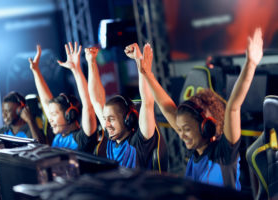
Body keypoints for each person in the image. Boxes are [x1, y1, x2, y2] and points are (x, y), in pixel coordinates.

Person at [137, 28, 263, 190]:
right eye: (180, 129)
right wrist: (148, 74)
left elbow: (233, 107)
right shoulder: (195, 153)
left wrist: (250, 64)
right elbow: (168, 108)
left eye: (187, 129)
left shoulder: (223, 153)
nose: (181, 134)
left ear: (206, 126)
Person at [86, 43, 167, 171]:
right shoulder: (111, 138)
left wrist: (139, 60)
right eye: (105, 119)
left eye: (111, 119)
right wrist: (91, 62)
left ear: (128, 119)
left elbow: (147, 102)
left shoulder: (139, 142)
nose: (106, 124)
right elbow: (96, 100)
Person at [28, 43, 97, 152]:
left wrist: (76, 70)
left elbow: (88, 105)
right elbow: (46, 102)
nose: (50, 119)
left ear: (70, 114)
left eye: (54, 114)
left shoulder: (82, 138)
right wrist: (36, 71)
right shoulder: (59, 138)